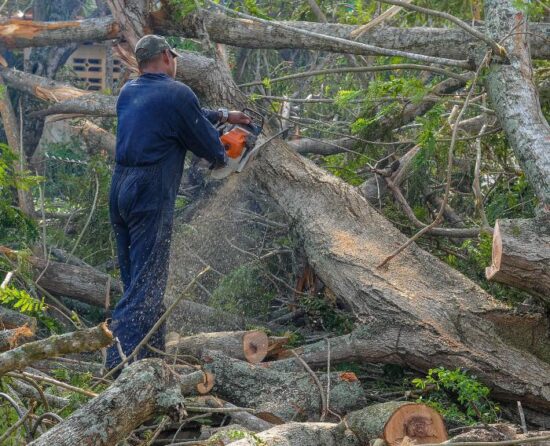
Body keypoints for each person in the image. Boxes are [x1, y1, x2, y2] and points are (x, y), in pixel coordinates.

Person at [106, 35, 251, 369]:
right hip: (149, 191)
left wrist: (227, 115)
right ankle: (117, 367)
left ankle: (151, 361)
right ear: (168, 56)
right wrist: (223, 150)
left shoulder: (130, 91)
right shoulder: (177, 93)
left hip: (120, 189)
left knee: (138, 282)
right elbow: (212, 150)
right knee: (147, 285)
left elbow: (185, 114)